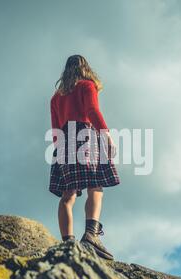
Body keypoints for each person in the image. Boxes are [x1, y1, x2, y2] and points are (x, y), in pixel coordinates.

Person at [49, 55, 120, 260]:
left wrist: (61, 150)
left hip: (63, 141)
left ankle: (68, 244)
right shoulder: (87, 86)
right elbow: (92, 110)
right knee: (96, 186)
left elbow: (55, 130)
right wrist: (106, 135)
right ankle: (91, 234)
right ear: (86, 69)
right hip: (84, 134)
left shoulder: (56, 97)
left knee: (68, 195)